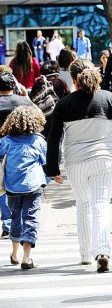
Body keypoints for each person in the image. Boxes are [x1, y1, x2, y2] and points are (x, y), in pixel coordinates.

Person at [47, 60, 112, 272]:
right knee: (101, 204)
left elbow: (54, 139)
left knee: (83, 205)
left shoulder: (64, 104)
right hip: (104, 160)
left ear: (73, 79)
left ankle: (86, 254)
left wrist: (52, 169)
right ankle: (102, 251)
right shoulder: (109, 99)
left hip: (76, 162)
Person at [1, 105, 48, 269]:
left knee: (15, 217)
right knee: (31, 218)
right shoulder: (39, 141)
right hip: (33, 186)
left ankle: (14, 254)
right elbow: (44, 161)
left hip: (12, 187)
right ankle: (26, 258)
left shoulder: (5, 141)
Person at [0, 72, 34, 240]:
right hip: (19, 151)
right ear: (13, 86)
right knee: (14, 188)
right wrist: (26, 96)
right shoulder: (23, 102)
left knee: (1, 189)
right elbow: (37, 118)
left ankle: (7, 223)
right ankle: (12, 223)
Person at [29, 61, 69, 137]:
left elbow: (31, 99)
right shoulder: (60, 82)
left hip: (42, 118)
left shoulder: (38, 82)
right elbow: (68, 98)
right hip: (58, 118)